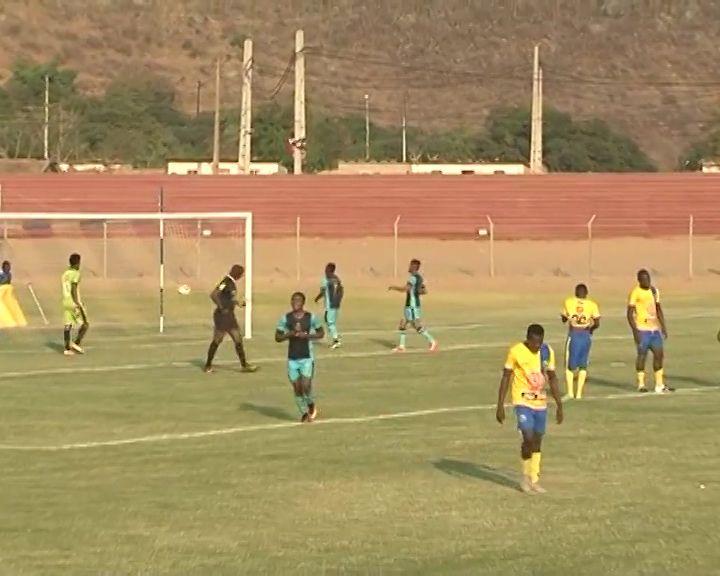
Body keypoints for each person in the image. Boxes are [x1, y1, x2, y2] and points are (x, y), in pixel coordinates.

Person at [496, 324, 563, 494]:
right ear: (527, 339)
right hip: (522, 401)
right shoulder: (516, 351)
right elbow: (506, 377)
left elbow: (552, 378)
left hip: (540, 402)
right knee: (527, 436)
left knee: (537, 440)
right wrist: (500, 405)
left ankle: (534, 479)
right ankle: (525, 478)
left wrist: (559, 405)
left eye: (539, 343)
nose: (536, 346)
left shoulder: (547, 352)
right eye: (533, 343)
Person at [275, 292, 325, 422]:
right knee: (297, 388)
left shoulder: (311, 317)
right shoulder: (286, 318)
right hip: (292, 359)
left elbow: (321, 333)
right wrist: (289, 334)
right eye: (293, 300)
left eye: (298, 300)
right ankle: (303, 412)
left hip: (307, 358)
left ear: (303, 302)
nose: (295, 302)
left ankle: (311, 406)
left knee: (306, 386)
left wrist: (307, 336)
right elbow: (277, 337)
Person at [204, 264, 257, 373]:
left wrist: (237, 303)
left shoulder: (231, 283)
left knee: (238, 338)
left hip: (229, 316)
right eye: (241, 274)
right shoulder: (225, 282)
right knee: (217, 340)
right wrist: (221, 307)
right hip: (222, 316)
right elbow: (214, 294)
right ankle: (208, 365)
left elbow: (227, 298)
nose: (242, 276)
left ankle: (244, 365)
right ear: (236, 273)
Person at [627, 269, 673, 393]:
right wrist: (635, 331)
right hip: (642, 330)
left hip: (654, 330)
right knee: (642, 356)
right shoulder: (635, 293)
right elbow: (629, 314)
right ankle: (641, 384)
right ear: (639, 280)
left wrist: (663, 326)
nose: (647, 281)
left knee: (659, 355)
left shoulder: (654, 291)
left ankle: (659, 385)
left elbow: (658, 309)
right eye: (644, 279)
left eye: (648, 279)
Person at [388, 258, 437, 352]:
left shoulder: (413, 278)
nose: (409, 267)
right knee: (403, 323)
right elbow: (424, 291)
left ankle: (432, 340)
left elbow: (405, 289)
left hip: (412, 305)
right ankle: (402, 346)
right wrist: (417, 291)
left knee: (415, 325)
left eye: (410, 265)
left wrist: (393, 287)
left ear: (414, 267)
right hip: (411, 304)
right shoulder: (419, 278)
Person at [560, 283, 600, 399]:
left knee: (569, 365)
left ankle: (570, 392)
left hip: (574, 334)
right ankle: (579, 394)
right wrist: (591, 329)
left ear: (575, 292)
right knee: (583, 365)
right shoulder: (592, 305)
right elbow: (597, 323)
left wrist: (567, 317)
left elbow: (564, 318)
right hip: (586, 335)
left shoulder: (569, 302)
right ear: (586, 293)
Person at [62, 253, 89, 355]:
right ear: (77, 263)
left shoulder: (65, 273)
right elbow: (73, 287)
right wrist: (77, 302)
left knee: (68, 324)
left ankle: (67, 349)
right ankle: (76, 343)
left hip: (65, 301)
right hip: (73, 301)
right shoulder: (75, 274)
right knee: (85, 324)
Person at [314, 262, 344, 349]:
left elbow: (323, 291)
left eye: (327, 269)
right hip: (336, 304)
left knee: (329, 322)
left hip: (330, 304)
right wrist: (338, 300)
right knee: (330, 321)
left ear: (330, 270)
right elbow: (341, 291)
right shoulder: (337, 279)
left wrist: (317, 298)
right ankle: (336, 335)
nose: (325, 270)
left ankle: (336, 340)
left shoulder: (326, 279)